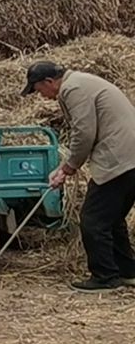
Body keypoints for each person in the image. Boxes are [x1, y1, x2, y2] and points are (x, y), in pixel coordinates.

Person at [25, 60, 135, 291]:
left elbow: (84, 132)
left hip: (119, 158)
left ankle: (105, 277)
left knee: (93, 220)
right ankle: (127, 272)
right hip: (129, 156)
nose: (41, 96)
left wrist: (68, 167)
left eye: (38, 90)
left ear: (49, 82)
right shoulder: (82, 82)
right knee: (111, 219)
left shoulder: (73, 89)